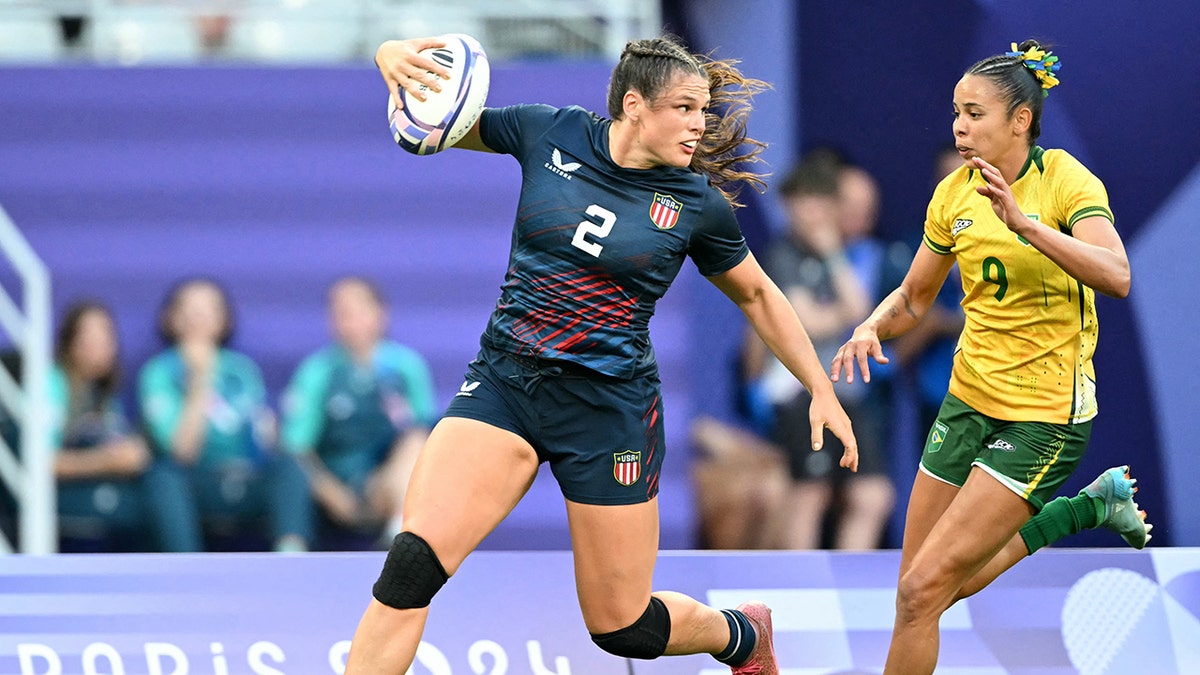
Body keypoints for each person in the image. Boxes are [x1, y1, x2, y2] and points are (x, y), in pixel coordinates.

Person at [346, 34, 859, 675]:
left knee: (623, 627)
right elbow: (439, 125)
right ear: (636, 105)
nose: (702, 124)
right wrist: (390, 54)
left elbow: (757, 295)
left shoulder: (694, 205)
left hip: (608, 411)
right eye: (686, 108)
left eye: (704, 110)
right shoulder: (550, 133)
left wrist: (820, 386)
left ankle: (738, 634)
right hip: (507, 383)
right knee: (411, 567)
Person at [829, 40, 1153, 674]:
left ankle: (1076, 509)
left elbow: (1117, 276)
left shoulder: (1064, 179)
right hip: (967, 401)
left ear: (1020, 120)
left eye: (974, 113)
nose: (959, 126)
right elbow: (916, 299)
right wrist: (872, 325)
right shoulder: (953, 194)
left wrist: (1028, 225)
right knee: (916, 593)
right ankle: (1085, 509)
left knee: (923, 591)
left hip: (1043, 419)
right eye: (955, 112)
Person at [750, 151, 892, 550]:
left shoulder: (837, 256)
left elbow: (861, 309)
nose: (813, 213)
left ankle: (848, 597)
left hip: (846, 393)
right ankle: (805, 590)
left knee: (873, 496)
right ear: (787, 206)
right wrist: (838, 314)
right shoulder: (782, 256)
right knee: (810, 494)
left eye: (822, 203)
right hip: (797, 392)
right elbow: (805, 324)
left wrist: (832, 255)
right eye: (804, 203)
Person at [138, 277, 312, 552]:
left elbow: (262, 444)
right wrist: (200, 379)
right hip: (195, 483)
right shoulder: (159, 371)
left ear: (224, 319)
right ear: (170, 318)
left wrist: (273, 435)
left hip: (244, 478)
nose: (197, 317)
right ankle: (186, 568)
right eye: (188, 308)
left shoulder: (243, 369)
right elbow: (181, 452)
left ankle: (291, 559)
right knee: (162, 476)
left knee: (290, 469)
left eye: (207, 309)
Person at [281, 276, 437, 549]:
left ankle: (398, 533)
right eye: (340, 312)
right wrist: (331, 493)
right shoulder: (318, 370)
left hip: (386, 483)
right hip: (333, 486)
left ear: (381, 314)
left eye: (358, 310)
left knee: (416, 440)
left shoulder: (407, 366)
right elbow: (296, 447)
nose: (349, 320)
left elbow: (425, 435)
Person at [49, 301, 160, 552]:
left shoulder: (107, 399)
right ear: (68, 342)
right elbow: (40, 462)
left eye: (106, 335)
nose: (100, 345)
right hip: (65, 502)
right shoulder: (50, 384)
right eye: (89, 336)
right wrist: (106, 461)